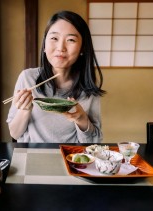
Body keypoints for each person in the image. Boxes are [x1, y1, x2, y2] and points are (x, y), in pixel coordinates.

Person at [6, 10, 106, 143]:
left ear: (82, 48)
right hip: (32, 156)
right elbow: (14, 133)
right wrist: (24, 110)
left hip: (71, 158)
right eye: (54, 38)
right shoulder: (27, 78)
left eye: (71, 40)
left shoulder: (88, 87)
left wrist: (82, 119)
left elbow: (94, 143)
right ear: (44, 46)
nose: (61, 47)